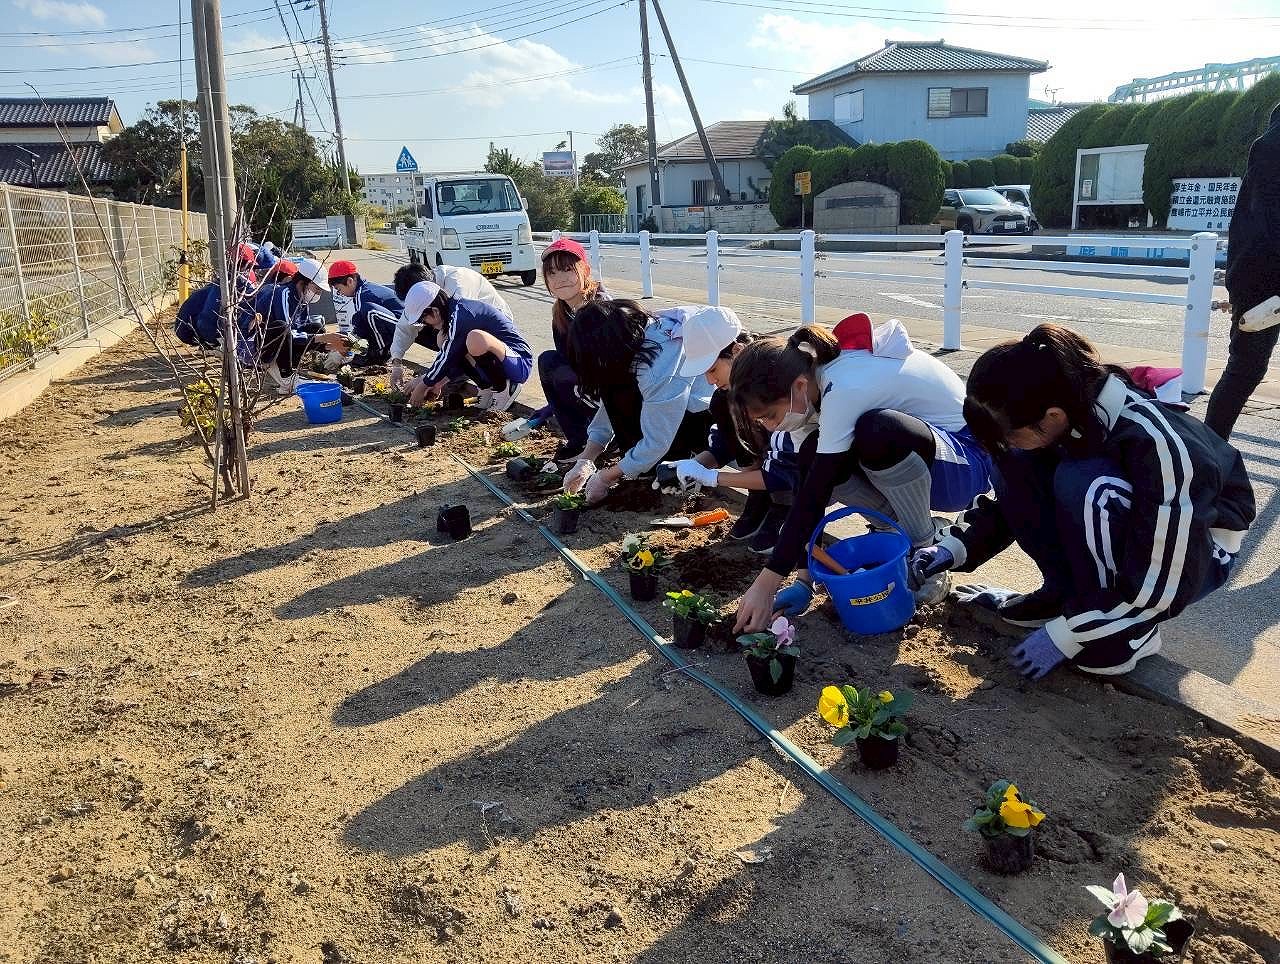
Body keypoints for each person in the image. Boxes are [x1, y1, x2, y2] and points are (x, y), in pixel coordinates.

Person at [911, 325, 1255, 678]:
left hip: (1197, 552)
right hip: (1154, 537)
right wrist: (954, 546)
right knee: (1017, 463)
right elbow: (1014, 499)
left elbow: (1168, 572)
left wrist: (1073, 633)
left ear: (1052, 417)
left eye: (1011, 433)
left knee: (1088, 485)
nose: (1009, 442)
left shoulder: (1159, 445)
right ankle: (1065, 597)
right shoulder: (1070, 410)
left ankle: (1132, 631)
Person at [731, 314, 993, 633]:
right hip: (928, 464)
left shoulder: (844, 385)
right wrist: (804, 578)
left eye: (769, 416)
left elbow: (816, 493)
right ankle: (893, 533)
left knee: (876, 431)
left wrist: (766, 584)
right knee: (815, 452)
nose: (771, 428)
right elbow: (807, 492)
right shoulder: (808, 397)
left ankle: (924, 547)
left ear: (798, 385)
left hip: (969, 464)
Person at [656, 304, 804, 555]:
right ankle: (759, 497)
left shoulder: (775, 382)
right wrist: (688, 467)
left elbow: (785, 465)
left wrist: (711, 477)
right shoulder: (725, 397)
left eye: (713, 369)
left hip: (800, 468)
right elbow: (727, 444)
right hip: (770, 469)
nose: (710, 380)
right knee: (721, 403)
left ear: (736, 350)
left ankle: (785, 504)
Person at [561, 300, 715, 505]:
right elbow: (610, 403)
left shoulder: (658, 366)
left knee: (656, 464)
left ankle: (676, 464)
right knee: (615, 384)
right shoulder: (629, 340)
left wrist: (606, 478)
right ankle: (644, 465)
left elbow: (657, 440)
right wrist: (587, 458)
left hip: (703, 422)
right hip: (669, 416)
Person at [1205, 102, 1280, 440]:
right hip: (1262, 278)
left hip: (1253, 274)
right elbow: (1270, 223)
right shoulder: (1270, 150)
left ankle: (1209, 447)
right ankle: (1209, 448)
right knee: (1246, 368)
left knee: (1245, 368)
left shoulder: (1267, 148)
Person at [401, 279, 532, 412]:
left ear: (434, 311)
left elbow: (447, 357)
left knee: (475, 338)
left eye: (423, 320)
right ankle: (486, 387)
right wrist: (437, 383)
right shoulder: (454, 315)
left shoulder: (461, 315)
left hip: (518, 362)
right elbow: (455, 359)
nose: (426, 324)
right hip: (504, 363)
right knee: (443, 339)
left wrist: (423, 385)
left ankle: (503, 388)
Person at [389, 262, 512, 390]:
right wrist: (397, 364)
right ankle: (478, 382)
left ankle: (499, 385)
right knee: (424, 329)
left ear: (425, 287)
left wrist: (427, 381)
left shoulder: (458, 283)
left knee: (447, 339)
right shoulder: (424, 292)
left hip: (494, 332)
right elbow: (404, 328)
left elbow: (459, 333)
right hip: (465, 330)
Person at [538, 237, 608, 461]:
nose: (560, 279)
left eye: (567, 269)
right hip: (587, 384)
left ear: (585, 270)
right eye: (552, 273)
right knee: (548, 362)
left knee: (562, 372)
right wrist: (552, 407)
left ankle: (608, 437)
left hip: (615, 389)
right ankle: (579, 439)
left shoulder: (601, 308)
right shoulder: (561, 313)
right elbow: (565, 360)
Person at [244, 256, 332, 392]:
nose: (318, 294)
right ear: (303, 282)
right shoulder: (283, 294)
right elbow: (289, 332)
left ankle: (292, 369)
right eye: (316, 289)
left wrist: (328, 344)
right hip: (258, 345)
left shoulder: (301, 298)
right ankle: (286, 376)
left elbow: (303, 327)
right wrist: (320, 339)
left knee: (315, 327)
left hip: (277, 341)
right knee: (283, 328)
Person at [326, 260, 403, 367]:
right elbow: (360, 327)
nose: (341, 294)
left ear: (349, 281)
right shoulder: (362, 290)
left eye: (339, 289)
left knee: (369, 312)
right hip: (397, 324)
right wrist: (348, 348)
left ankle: (380, 354)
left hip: (404, 327)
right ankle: (373, 352)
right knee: (359, 318)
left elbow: (367, 324)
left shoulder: (363, 295)